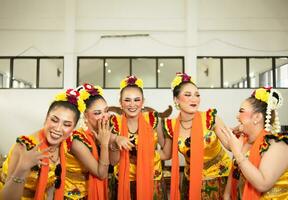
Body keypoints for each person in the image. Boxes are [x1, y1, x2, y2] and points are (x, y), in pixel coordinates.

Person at [0, 88, 83, 200]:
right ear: (46, 118)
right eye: (54, 120)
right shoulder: (25, 146)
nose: (58, 128)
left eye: (67, 124)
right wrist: (22, 169)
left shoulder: (64, 147)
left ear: (73, 129)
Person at [162, 73, 232, 200]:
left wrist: (247, 134)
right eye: (187, 95)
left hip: (219, 177)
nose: (194, 99)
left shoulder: (210, 118)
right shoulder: (170, 125)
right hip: (191, 180)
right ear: (176, 100)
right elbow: (166, 155)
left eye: (197, 95)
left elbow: (230, 145)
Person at [221, 87, 288, 200]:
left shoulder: (277, 145)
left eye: (241, 111)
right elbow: (235, 173)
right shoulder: (244, 140)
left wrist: (238, 153)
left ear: (257, 117)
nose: (237, 116)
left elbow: (263, 184)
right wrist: (226, 195)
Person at [111, 75, 168, 200]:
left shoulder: (153, 120)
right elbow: (112, 161)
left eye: (137, 100)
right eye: (127, 100)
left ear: (143, 102)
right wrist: (116, 139)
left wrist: (148, 154)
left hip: (152, 179)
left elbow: (166, 151)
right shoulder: (114, 123)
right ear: (120, 103)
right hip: (124, 180)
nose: (132, 104)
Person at [64, 83, 117, 199]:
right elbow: (101, 174)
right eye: (98, 113)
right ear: (85, 115)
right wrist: (104, 144)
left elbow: (113, 162)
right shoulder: (76, 140)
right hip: (76, 195)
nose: (105, 116)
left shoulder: (101, 132)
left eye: (106, 111)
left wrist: (113, 139)